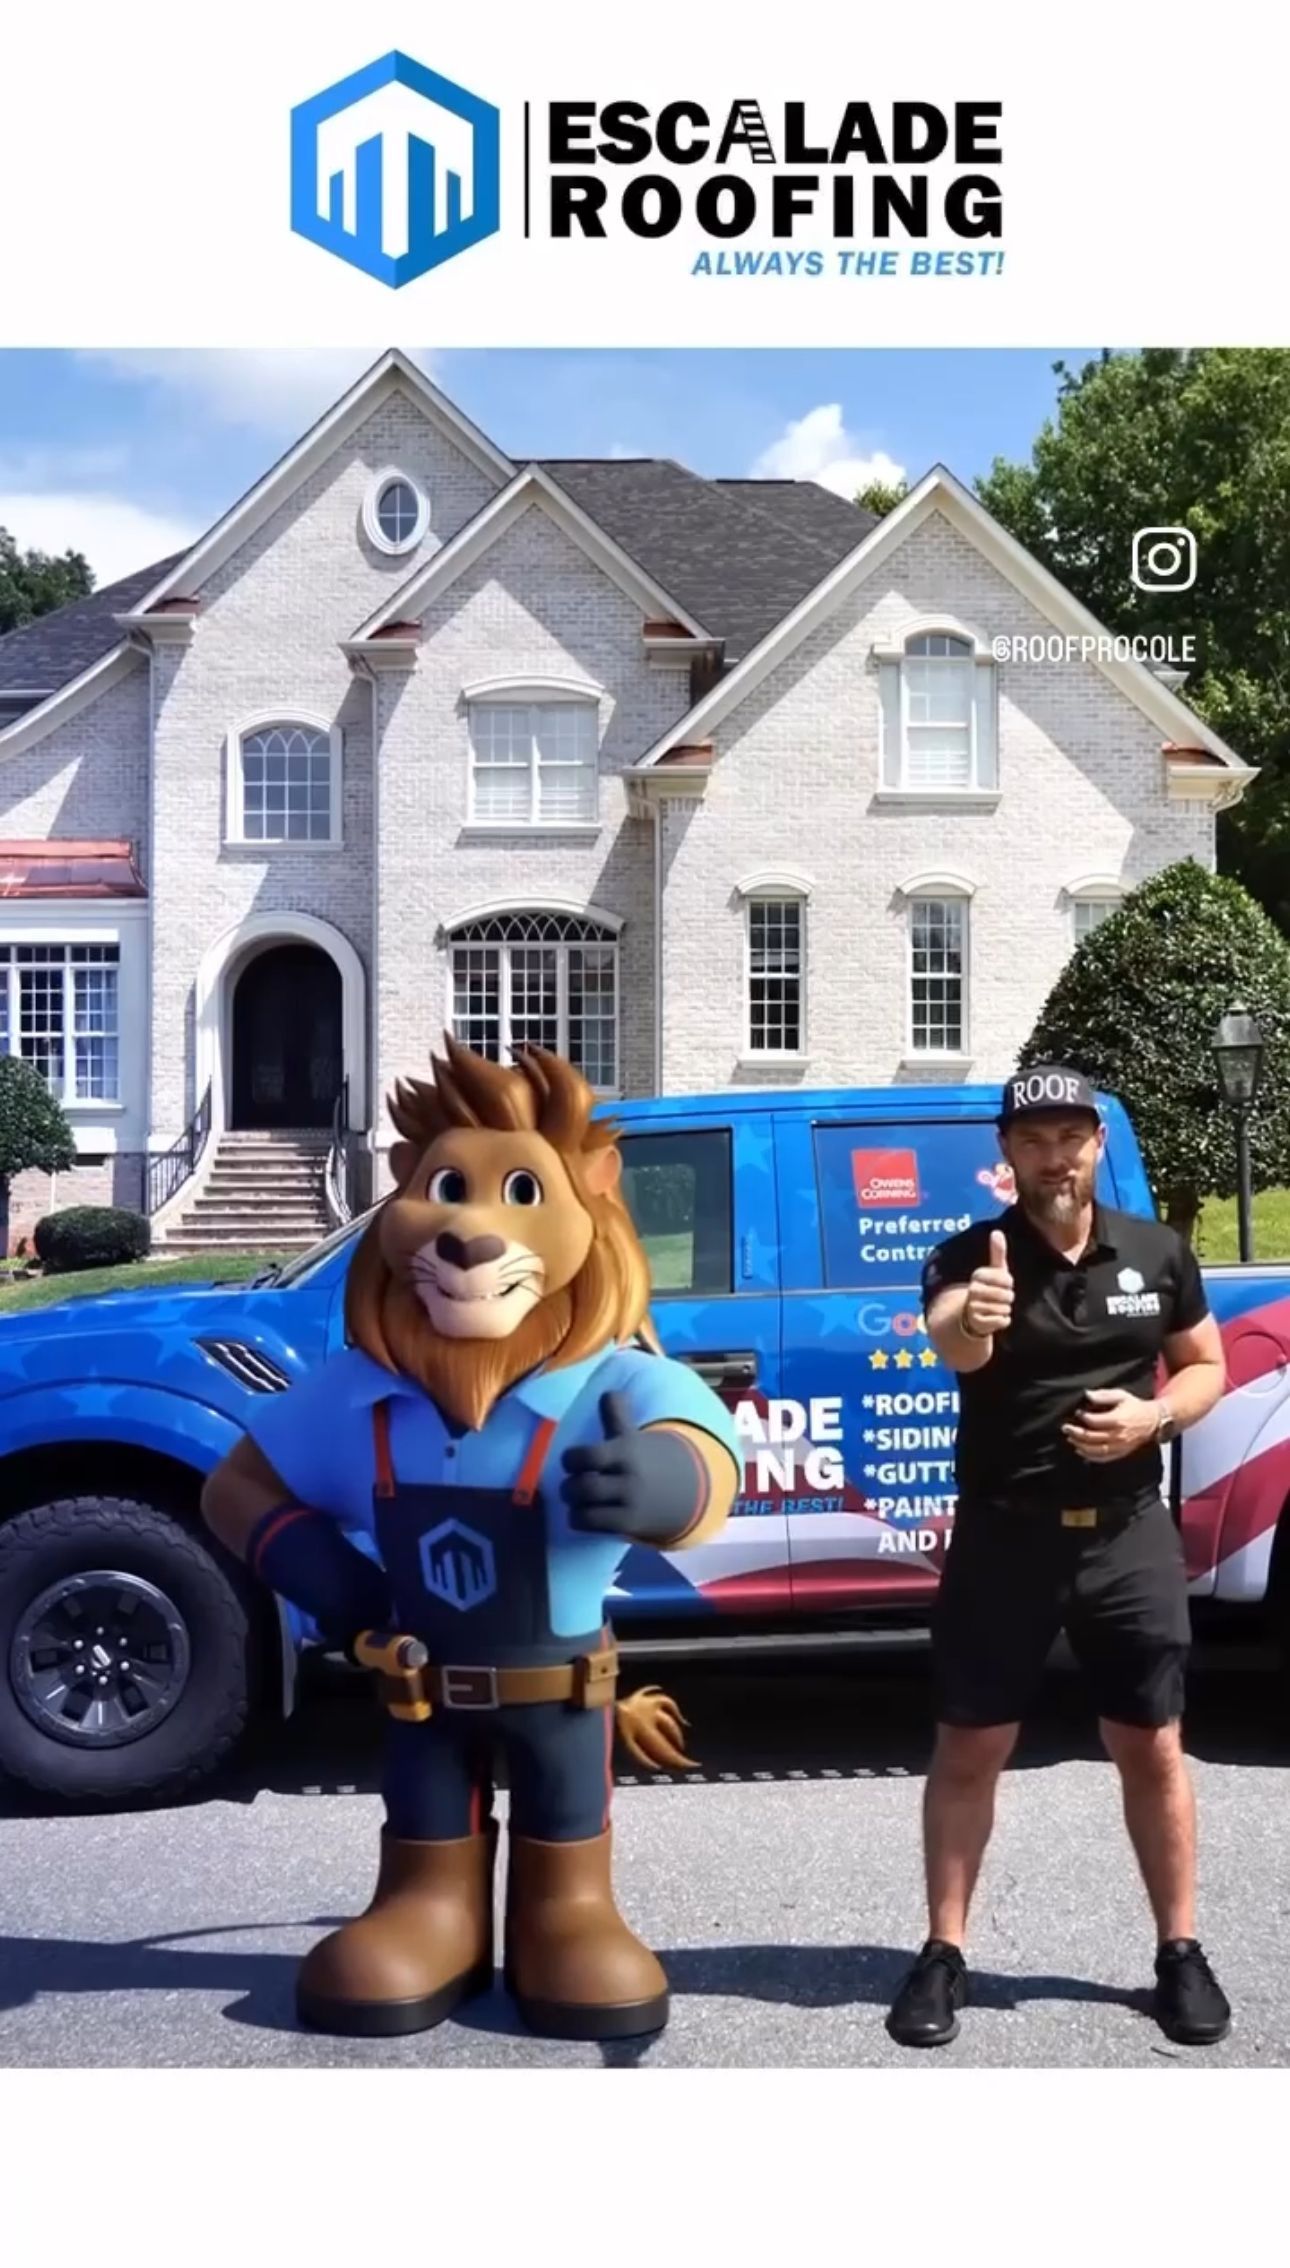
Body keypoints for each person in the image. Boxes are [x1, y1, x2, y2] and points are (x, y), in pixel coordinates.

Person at [886, 1063, 1231, 2051]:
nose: (1054, 1156)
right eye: (1032, 1139)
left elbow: (1206, 1362)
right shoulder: (969, 1257)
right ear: (1006, 1152)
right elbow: (954, 1340)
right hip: (1005, 1538)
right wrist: (975, 1318)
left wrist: (1156, 1416)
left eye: (1070, 1137)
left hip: (1128, 1537)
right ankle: (944, 1952)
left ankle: (1179, 1952)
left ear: (1094, 1145)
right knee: (970, 1748)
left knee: (1151, 1747)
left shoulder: (1158, 1252)